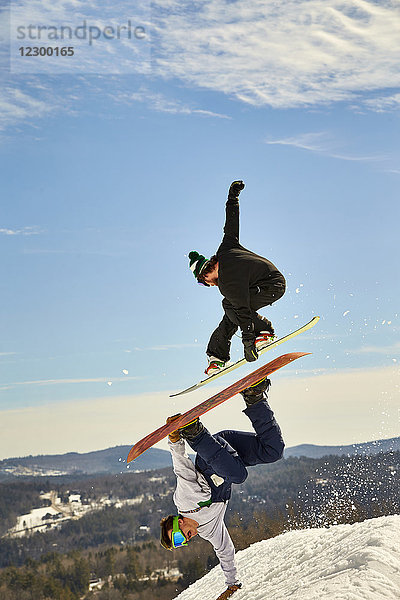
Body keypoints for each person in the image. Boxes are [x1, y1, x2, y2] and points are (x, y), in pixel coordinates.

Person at [160, 377, 284, 600]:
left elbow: (181, 467)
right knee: (273, 451)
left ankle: (194, 431)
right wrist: (231, 584)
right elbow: (225, 552)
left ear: (179, 522)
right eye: (180, 543)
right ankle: (254, 398)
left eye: (178, 536)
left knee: (239, 475)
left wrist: (175, 439)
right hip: (229, 454)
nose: (185, 540)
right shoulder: (209, 530)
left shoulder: (186, 501)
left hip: (211, 451)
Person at [188, 180, 286, 375]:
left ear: (205, 275)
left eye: (203, 282)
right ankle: (216, 356)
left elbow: (242, 309)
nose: (208, 284)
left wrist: (248, 342)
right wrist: (232, 197)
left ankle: (264, 330)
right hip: (267, 281)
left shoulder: (227, 283)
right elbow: (231, 224)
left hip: (271, 285)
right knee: (229, 314)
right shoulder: (226, 249)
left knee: (230, 307)